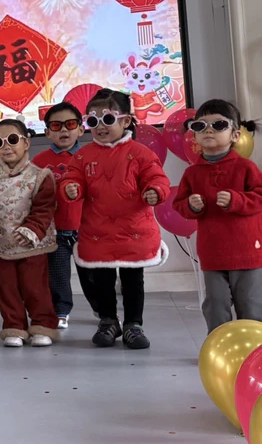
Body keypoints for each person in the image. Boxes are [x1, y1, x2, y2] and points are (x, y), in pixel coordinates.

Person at [62, 89, 170, 350]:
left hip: (134, 230)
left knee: (133, 280)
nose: (100, 127)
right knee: (102, 280)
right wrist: (70, 188)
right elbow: (72, 177)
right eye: (93, 120)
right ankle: (108, 321)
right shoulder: (83, 155)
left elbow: (157, 178)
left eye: (108, 119)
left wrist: (156, 191)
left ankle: (134, 324)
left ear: (126, 121)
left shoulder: (141, 153)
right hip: (97, 230)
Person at [173, 99, 262, 333]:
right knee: (215, 306)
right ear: (194, 135)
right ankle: (218, 346)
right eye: (200, 126)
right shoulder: (192, 173)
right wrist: (191, 206)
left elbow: (259, 197)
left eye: (219, 125)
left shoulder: (246, 168)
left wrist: (237, 200)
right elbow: (179, 205)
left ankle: (254, 349)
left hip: (247, 252)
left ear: (235, 135)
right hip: (212, 252)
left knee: (251, 306)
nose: (209, 130)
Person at [0, 119, 59, 347]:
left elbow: (44, 209)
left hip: (32, 245)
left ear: (26, 143)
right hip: (4, 244)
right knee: (7, 288)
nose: (6, 147)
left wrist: (32, 229)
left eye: (12, 140)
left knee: (35, 287)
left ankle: (42, 325)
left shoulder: (40, 176)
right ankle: (14, 326)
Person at [32, 102, 98, 328]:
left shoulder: (91, 157)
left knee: (93, 275)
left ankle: (103, 310)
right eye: (56, 126)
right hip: (54, 231)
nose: (63, 130)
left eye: (69, 124)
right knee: (58, 276)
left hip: (87, 229)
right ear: (47, 132)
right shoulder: (39, 162)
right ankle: (60, 311)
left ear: (81, 129)